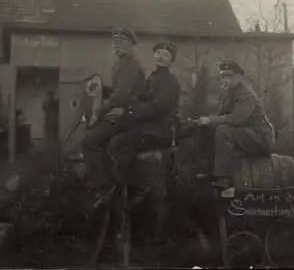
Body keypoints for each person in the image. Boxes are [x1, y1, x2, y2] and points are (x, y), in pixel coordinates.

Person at [81, 27, 146, 201]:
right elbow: (119, 91)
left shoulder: (129, 63)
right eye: (114, 42)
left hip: (130, 116)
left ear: (131, 44)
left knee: (89, 141)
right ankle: (103, 178)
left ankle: (104, 187)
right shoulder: (121, 63)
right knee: (93, 133)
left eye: (121, 42)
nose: (116, 46)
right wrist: (101, 88)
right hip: (124, 112)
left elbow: (123, 93)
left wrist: (101, 109)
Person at [107, 40, 181, 191]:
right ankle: (118, 184)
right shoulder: (153, 77)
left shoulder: (170, 81)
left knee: (119, 143)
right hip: (147, 127)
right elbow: (140, 98)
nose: (161, 57)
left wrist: (132, 112)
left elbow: (158, 106)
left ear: (171, 60)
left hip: (159, 130)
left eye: (166, 55)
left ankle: (135, 187)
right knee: (112, 132)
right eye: (158, 53)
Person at [196, 60, 275, 188]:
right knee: (209, 130)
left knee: (223, 131)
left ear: (239, 77)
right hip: (246, 135)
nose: (225, 80)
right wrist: (205, 122)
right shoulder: (229, 94)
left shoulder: (245, 93)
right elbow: (223, 116)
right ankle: (208, 169)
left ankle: (224, 178)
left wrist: (211, 120)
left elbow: (238, 119)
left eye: (229, 76)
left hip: (260, 137)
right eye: (223, 76)